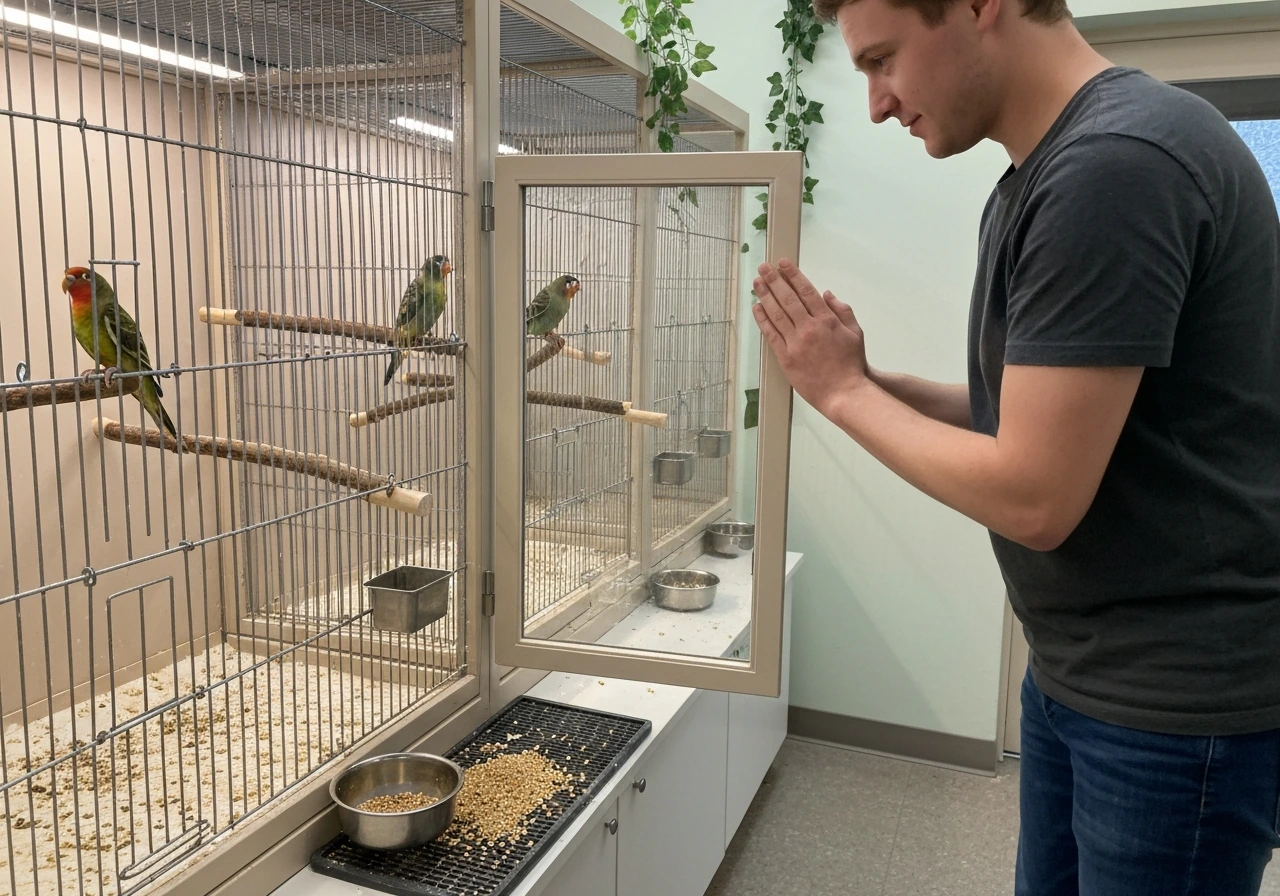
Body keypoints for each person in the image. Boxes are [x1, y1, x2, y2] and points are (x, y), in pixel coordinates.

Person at [750, 0, 1280, 893]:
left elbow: (1035, 494)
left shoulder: (1115, 166)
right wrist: (871, 381)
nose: (877, 103)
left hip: (1171, 709)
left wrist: (841, 396)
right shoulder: (1043, 174)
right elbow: (1025, 413)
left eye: (882, 59)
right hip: (1079, 669)